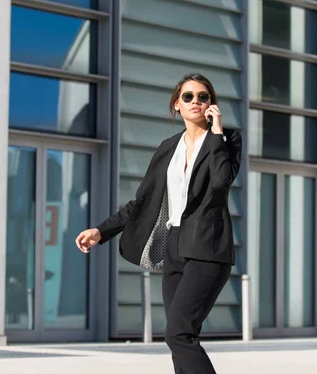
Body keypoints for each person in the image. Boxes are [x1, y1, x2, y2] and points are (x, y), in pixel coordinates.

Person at [75, 73, 242, 373]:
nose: (196, 101)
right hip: (173, 247)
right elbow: (142, 201)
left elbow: (221, 181)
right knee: (180, 338)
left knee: (179, 333)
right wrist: (102, 231)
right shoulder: (168, 147)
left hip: (207, 247)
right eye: (188, 96)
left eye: (203, 97)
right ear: (176, 104)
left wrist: (216, 133)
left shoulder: (227, 140)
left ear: (211, 104)